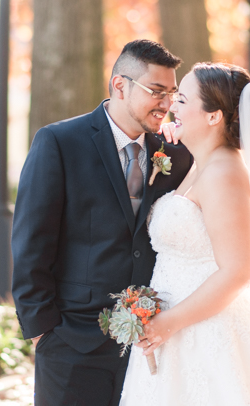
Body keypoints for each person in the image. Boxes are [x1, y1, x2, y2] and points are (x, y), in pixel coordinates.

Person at [120, 63, 250, 405]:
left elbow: (238, 270)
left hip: (205, 329)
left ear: (213, 116)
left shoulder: (225, 172)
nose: (171, 108)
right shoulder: (201, 163)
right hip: (173, 330)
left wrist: (169, 322)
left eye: (181, 99)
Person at [12, 40, 194, 406]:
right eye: (156, 91)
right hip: (71, 342)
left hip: (149, 347)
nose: (166, 103)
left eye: (172, 93)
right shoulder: (59, 142)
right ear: (120, 85)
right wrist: (43, 334)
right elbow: (31, 243)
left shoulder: (176, 154)